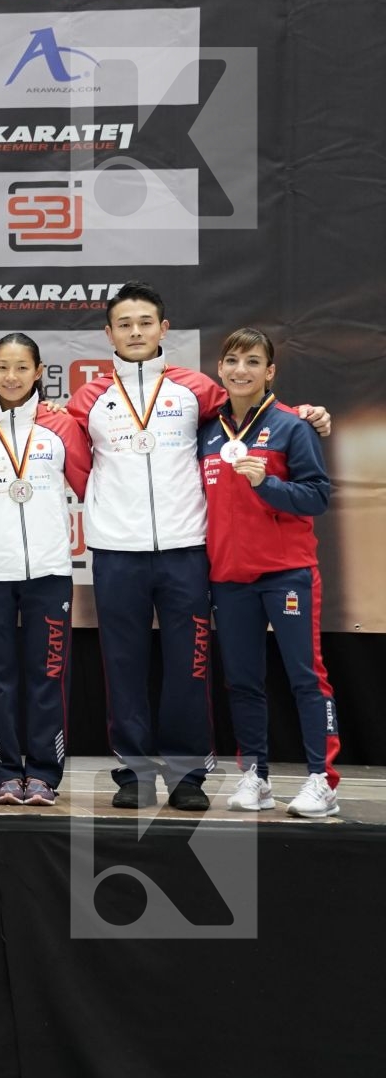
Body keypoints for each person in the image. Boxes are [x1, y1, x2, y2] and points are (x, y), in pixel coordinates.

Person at [68, 282, 329, 810]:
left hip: (187, 548)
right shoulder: (87, 399)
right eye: (125, 324)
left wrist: (304, 413)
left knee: (189, 666)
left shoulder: (196, 389)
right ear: (108, 333)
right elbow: (67, 457)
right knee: (123, 665)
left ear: (163, 329)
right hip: (116, 551)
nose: (136, 332)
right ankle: (134, 773)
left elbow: (250, 415)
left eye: (145, 322)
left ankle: (188, 775)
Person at [200, 328, 340, 817]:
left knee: (305, 677)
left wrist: (269, 485)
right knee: (242, 681)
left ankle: (322, 780)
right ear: (220, 369)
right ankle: (255, 777)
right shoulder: (208, 431)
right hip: (229, 576)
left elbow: (317, 496)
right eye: (233, 361)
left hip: (286, 573)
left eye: (253, 361)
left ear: (270, 371)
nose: (241, 370)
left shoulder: (292, 426)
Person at [0, 333, 90, 806]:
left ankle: (45, 774)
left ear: (38, 372)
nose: (11, 377)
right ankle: (6, 773)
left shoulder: (62, 425)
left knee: (48, 674)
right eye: (3, 367)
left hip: (49, 570)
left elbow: (91, 484)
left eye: (22, 367)